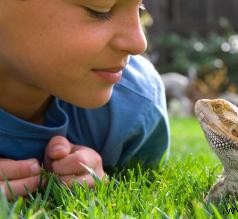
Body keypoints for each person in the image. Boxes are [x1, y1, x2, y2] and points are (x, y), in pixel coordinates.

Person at [0, 0, 170, 200]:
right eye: (99, 11)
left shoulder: (133, 107)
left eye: (140, 8)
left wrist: (105, 176)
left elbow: (144, 179)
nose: (139, 43)